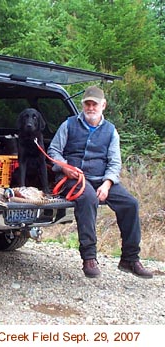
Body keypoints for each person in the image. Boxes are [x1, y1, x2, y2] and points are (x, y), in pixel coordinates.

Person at [47, 86, 153, 279]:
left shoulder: (111, 130)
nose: (90, 107)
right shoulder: (68, 124)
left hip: (102, 180)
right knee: (88, 199)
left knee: (131, 204)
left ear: (103, 105)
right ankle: (89, 257)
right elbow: (53, 151)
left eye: (94, 104)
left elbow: (115, 162)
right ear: (83, 105)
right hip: (73, 179)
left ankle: (130, 259)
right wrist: (64, 167)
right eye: (87, 103)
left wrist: (107, 184)